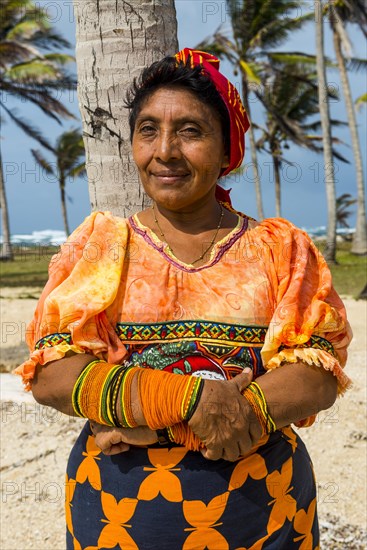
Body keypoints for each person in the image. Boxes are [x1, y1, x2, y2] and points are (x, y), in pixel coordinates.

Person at [16, 48, 352, 550]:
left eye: (191, 131)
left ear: (226, 150)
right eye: (148, 129)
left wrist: (175, 423)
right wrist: (191, 400)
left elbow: (317, 374)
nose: (166, 151)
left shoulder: (281, 250)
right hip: (119, 516)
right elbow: (51, 375)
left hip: (263, 513)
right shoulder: (100, 248)